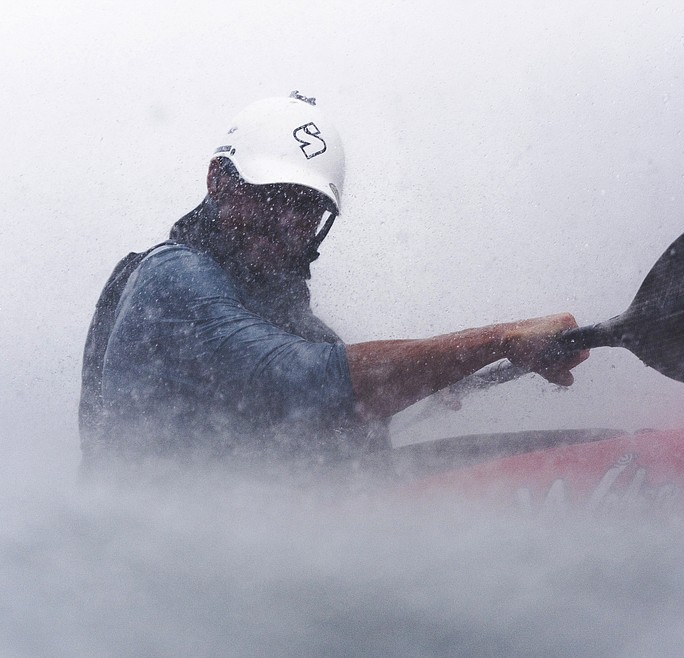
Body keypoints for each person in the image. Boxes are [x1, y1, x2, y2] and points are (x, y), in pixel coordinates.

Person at [79, 92, 588, 471]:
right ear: (219, 181)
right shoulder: (172, 277)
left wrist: (442, 383)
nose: (287, 222)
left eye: (306, 208)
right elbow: (305, 383)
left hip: (250, 552)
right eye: (272, 195)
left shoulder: (301, 327)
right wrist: (498, 341)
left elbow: (343, 417)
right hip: (161, 561)